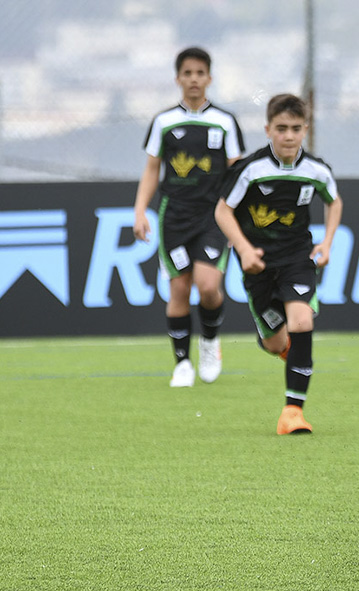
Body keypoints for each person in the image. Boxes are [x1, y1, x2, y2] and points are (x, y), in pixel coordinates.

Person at [214, 94, 343, 435]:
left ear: (306, 130)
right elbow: (222, 211)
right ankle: (291, 354)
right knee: (276, 343)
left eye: (296, 129)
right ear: (268, 129)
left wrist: (327, 242)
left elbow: (334, 200)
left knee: (301, 319)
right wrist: (243, 249)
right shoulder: (250, 169)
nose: (288, 136)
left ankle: (292, 413)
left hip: (297, 260)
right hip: (257, 265)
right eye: (281, 128)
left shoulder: (316, 170)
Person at [134, 47, 245, 388]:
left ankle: (210, 343)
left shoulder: (225, 121)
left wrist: (236, 220)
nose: (194, 79)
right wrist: (140, 210)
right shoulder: (164, 122)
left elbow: (236, 173)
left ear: (209, 78)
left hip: (213, 217)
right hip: (175, 217)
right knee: (179, 288)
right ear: (178, 78)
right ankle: (182, 363)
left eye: (200, 73)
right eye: (188, 73)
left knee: (208, 286)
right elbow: (153, 168)